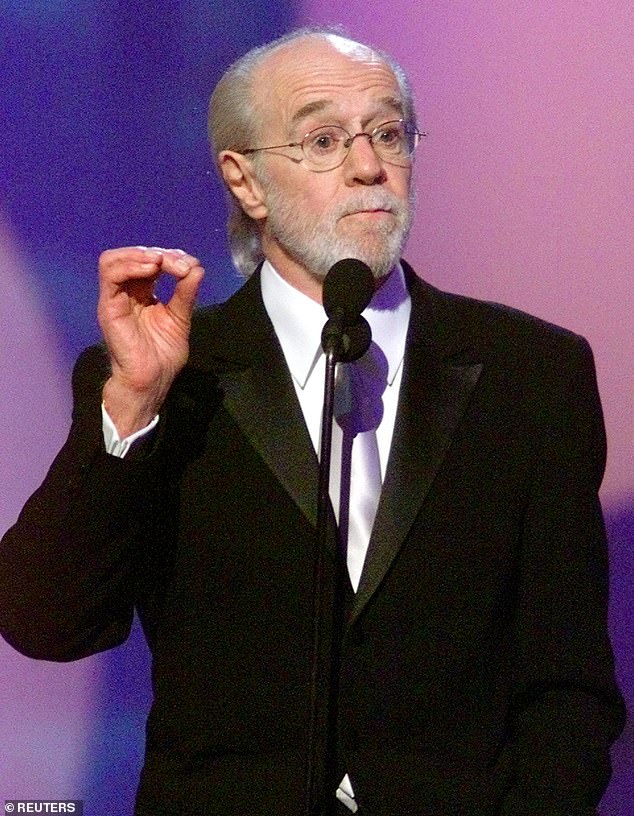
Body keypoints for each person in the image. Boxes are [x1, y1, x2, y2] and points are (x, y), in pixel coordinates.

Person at [0, 27, 625, 816]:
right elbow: (46, 623)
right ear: (246, 182)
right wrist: (132, 409)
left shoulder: (532, 375)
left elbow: (569, 690)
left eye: (390, 133)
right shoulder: (172, 375)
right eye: (324, 140)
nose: (369, 168)